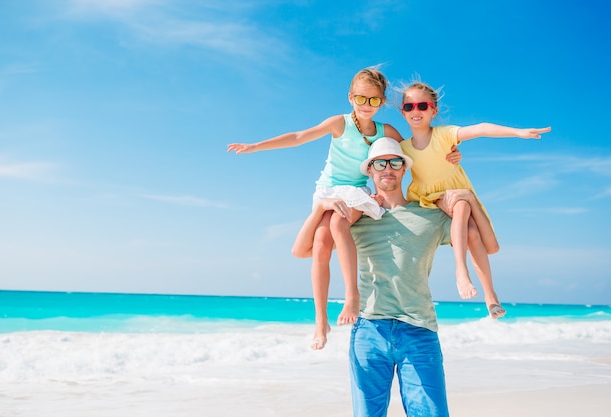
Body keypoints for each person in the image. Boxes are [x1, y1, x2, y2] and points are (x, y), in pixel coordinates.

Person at [292, 137, 483, 416]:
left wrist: (470, 200)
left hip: (419, 330)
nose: (387, 169)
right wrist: (321, 207)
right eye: (379, 163)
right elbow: (302, 251)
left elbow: (488, 245)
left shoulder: (431, 215)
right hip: (369, 329)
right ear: (370, 170)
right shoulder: (359, 215)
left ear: (405, 168)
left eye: (395, 162)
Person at [227, 68, 406, 350]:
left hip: (357, 190)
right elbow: (300, 136)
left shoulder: (387, 132)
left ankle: (352, 296)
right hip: (327, 190)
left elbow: (413, 155)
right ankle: (321, 321)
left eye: (373, 101)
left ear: (382, 102)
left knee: (338, 224)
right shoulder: (340, 123)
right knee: (320, 245)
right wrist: (257, 146)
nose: (366, 106)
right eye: (361, 99)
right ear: (351, 97)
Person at [397, 81, 551, 318]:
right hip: (429, 196)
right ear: (403, 111)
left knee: (479, 238)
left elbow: (480, 128)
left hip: (457, 189)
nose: (415, 111)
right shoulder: (403, 146)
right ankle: (461, 270)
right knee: (460, 205)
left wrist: (518, 132)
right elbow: (383, 160)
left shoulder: (444, 134)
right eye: (409, 106)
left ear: (433, 111)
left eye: (422, 105)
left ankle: (490, 297)